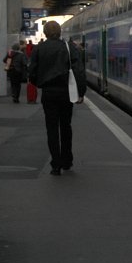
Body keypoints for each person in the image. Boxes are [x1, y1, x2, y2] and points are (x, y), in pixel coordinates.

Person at [28, 21, 86, 175]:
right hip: (67, 93)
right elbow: (78, 70)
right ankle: (67, 160)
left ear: (45, 33)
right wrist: (81, 93)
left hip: (48, 93)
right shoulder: (69, 47)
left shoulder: (39, 48)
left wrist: (40, 83)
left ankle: (56, 164)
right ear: (60, 32)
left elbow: (32, 72)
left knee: (51, 128)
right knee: (66, 126)